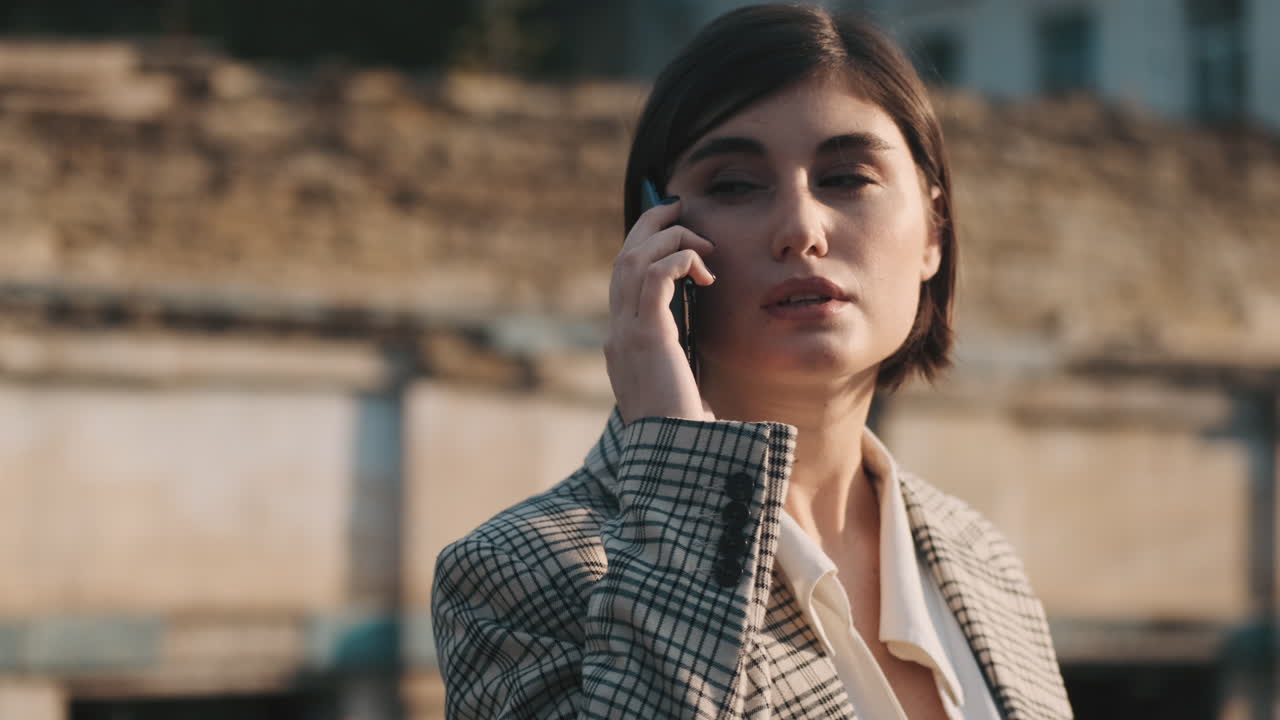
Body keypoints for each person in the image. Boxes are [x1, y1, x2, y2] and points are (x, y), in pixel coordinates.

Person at [432, 5, 1072, 719]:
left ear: (934, 231)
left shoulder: (984, 564)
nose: (800, 228)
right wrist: (681, 467)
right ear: (657, 234)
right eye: (735, 185)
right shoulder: (519, 574)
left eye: (847, 178)